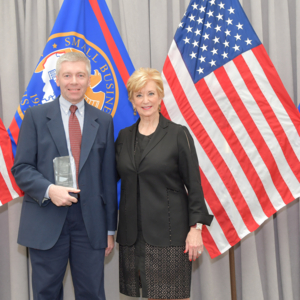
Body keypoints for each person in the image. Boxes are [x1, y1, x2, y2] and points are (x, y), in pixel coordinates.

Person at [11, 52, 117, 300]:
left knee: (92, 293)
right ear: (57, 79)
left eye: (80, 75)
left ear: (89, 79)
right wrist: (50, 190)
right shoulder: (36, 117)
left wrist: (110, 229)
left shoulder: (103, 120)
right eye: (67, 75)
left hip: (90, 224)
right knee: (46, 293)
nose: (74, 81)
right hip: (46, 217)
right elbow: (22, 168)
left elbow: (108, 179)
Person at [115, 68, 214, 300]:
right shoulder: (123, 137)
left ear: (160, 96)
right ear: (131, 99)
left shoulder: (178, 134)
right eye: (139, 95)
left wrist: (195, 229)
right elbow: (110, 181)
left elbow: (194, 185)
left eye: (150, 93)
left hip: (171, 235)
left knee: (173, 297)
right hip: (134, 237)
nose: (145, 100)